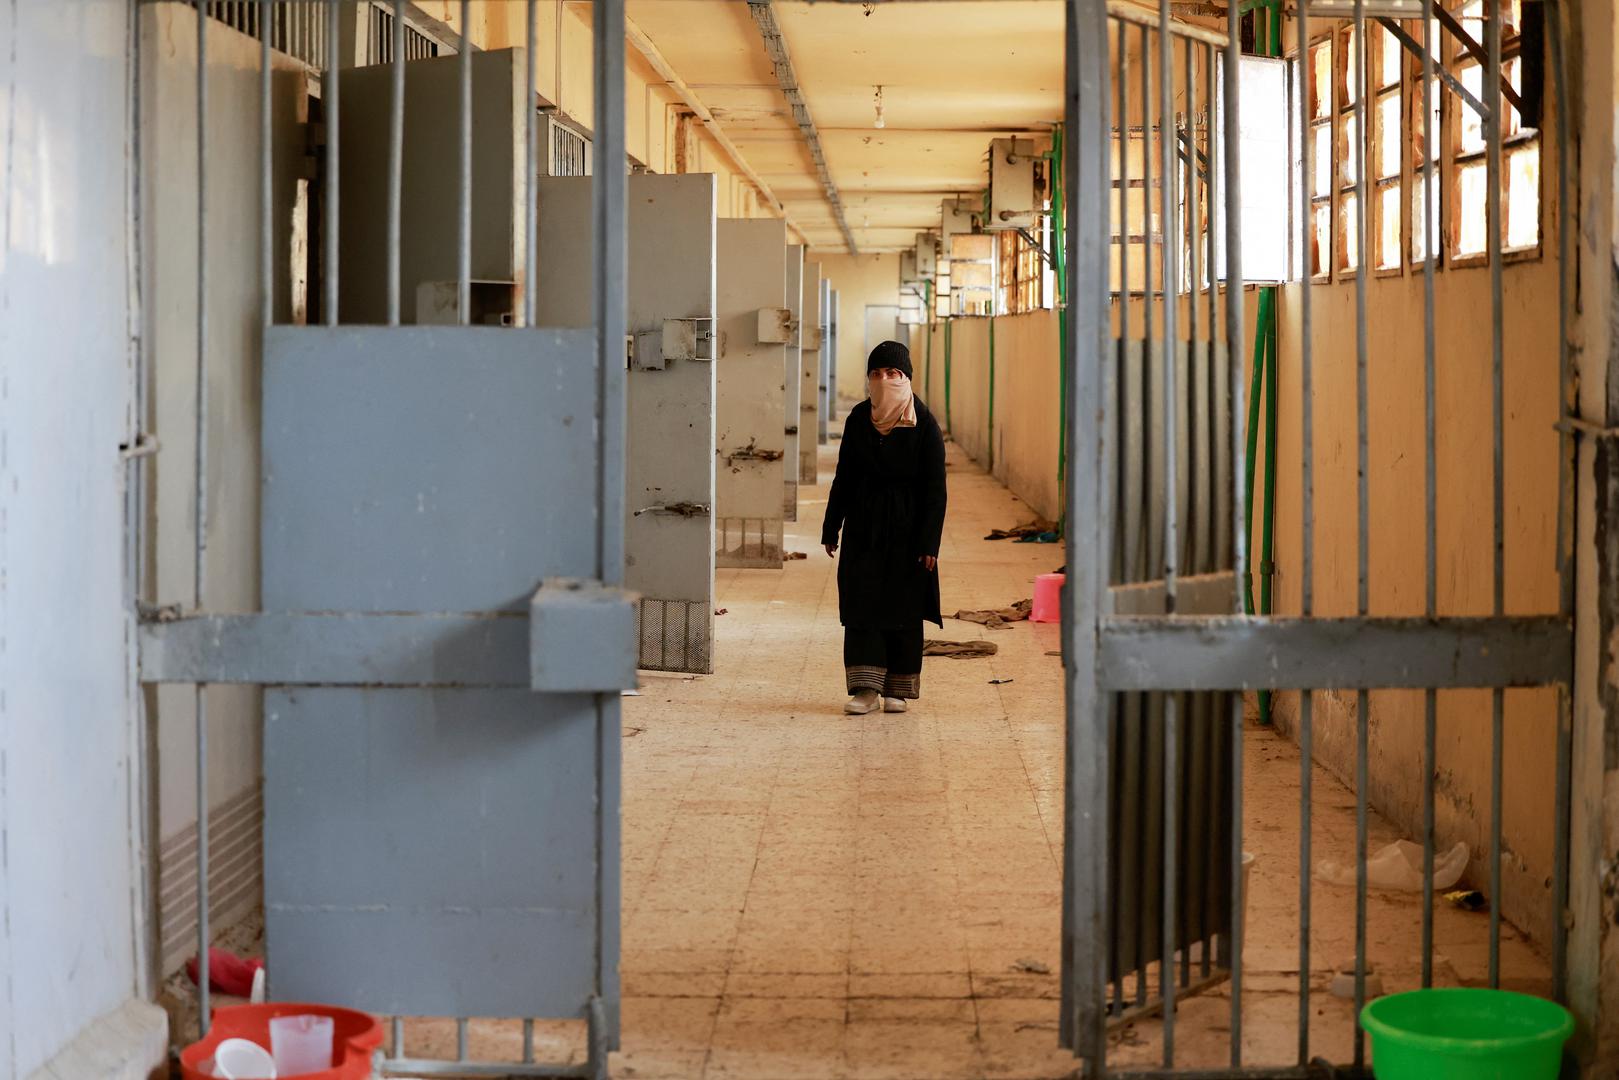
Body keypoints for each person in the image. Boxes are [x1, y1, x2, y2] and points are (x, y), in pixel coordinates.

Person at [821, 341, 947, 715]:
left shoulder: (924, 424)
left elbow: (935, 490)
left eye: (893, 373)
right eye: (876, 374)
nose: (884, 380)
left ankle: (898, 689)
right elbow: (844, 477)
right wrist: (831, 526)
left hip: (908, 531)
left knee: (903, 606)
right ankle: (865, 689)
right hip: (864, 526)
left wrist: (929, 543)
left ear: (906, 377)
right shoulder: (859, 419)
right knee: (862, 603)